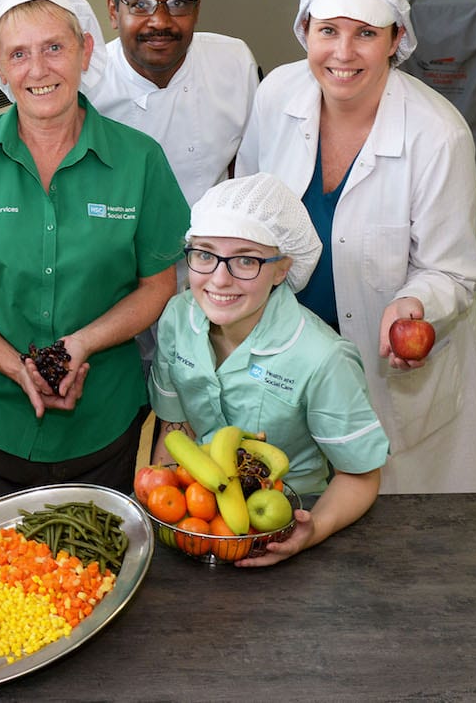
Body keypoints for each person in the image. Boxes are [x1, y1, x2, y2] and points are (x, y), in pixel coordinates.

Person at [0, 0, 190, 497]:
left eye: (54, 48)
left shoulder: (139, 159)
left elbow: (157, 286)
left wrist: (81, 344)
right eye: (18, 54)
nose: (38, 70)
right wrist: (16, 368)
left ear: (86, 50)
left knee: (93, 573)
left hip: (102, 425)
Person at [236, 0, 476, 493]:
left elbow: (452, 270)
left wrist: (415, 306)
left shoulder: (437, 135)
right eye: (328, 31)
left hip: (385, 368)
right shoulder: (277, 95)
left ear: (397, 40)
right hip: (290, 349)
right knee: (287, 499)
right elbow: (250, 208)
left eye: (366, 34)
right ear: (305, 32)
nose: (343, 53)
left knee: (390, 526)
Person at [150, 173, 390, 566]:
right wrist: (166, 506)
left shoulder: (323, 358)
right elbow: (175, 428)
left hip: (288, 526)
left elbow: (361, 475)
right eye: (205, 254)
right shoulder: (177, 318)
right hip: (198, 521)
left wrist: (312, 531)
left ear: (282, 270)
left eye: (246, 259)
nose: (219, 278)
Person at [86, 0, 259, 209]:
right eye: (141, 5)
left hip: (213, 243)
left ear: (197, 9)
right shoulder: (88, 81)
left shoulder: (234, 62)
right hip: (120, 249)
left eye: (177, 4)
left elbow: (250, 166)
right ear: (112, 11)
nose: (160, 22)